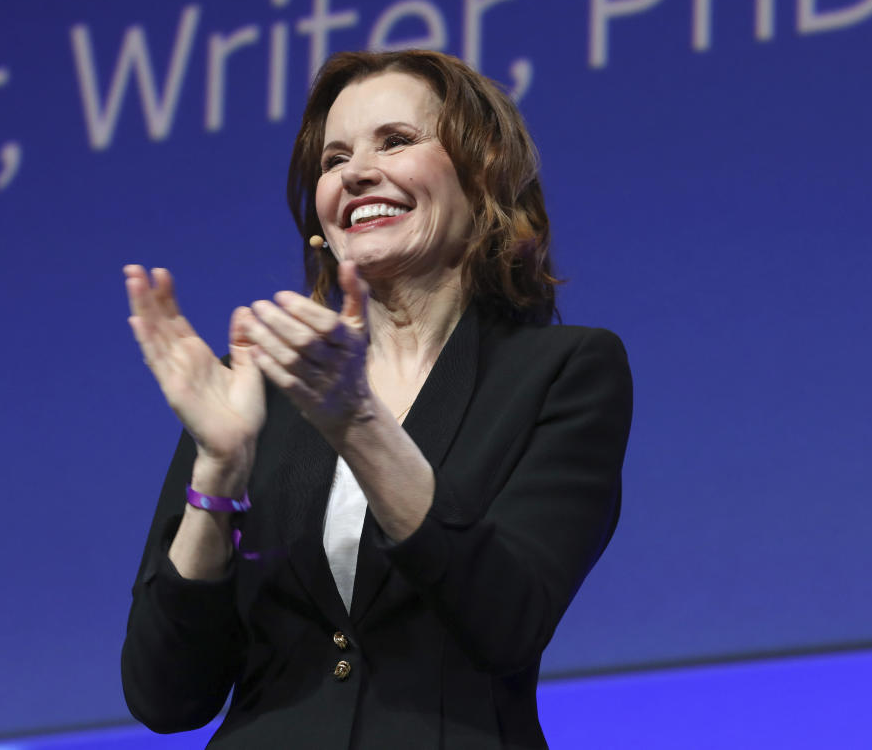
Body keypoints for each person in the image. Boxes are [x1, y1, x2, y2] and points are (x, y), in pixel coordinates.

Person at [120, 49, 632, 749]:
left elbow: (507, 621)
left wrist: (357, 423)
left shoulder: (563, 373)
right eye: (334, 160)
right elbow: (165, 695)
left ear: (482, 178)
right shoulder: (252, 388)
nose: (356, 172)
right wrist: (218, 471)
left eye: (396, 141)